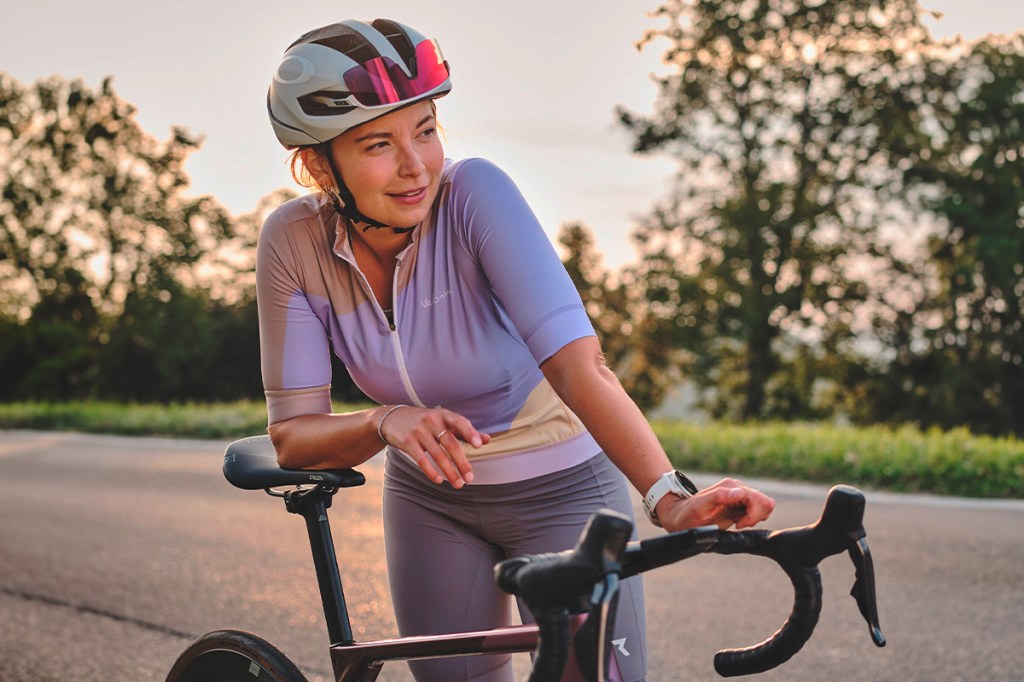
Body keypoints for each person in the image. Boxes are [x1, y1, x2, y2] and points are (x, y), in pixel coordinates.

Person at [259, 18, 775, 682]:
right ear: (318, 164)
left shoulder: (475, 195)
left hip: (564, 492)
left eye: (425, 129)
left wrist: (668, 498)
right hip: (431, 503)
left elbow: (578, 365)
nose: (415, 164)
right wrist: (385, 420)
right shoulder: (292, 242)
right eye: (377, 144)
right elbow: (294, 435)